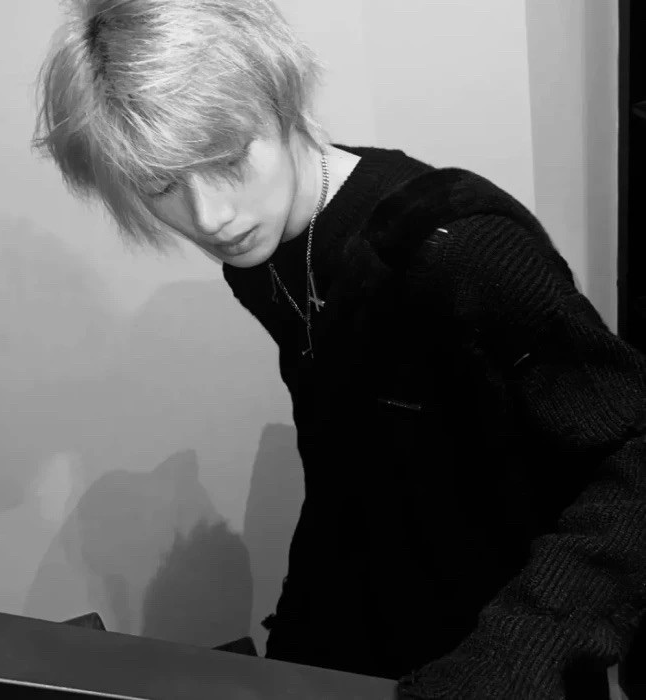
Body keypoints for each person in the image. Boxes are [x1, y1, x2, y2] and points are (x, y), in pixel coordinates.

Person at [32, 1, 646, 697]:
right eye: (162, 186)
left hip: (507, 650)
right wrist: (301, 635)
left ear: (282, 98)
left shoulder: (459, 250)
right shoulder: (261, 259)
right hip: (372, 630)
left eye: (229, 158)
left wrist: (510, 660)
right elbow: (352, 461)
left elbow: (634, 457)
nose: (211, 217)